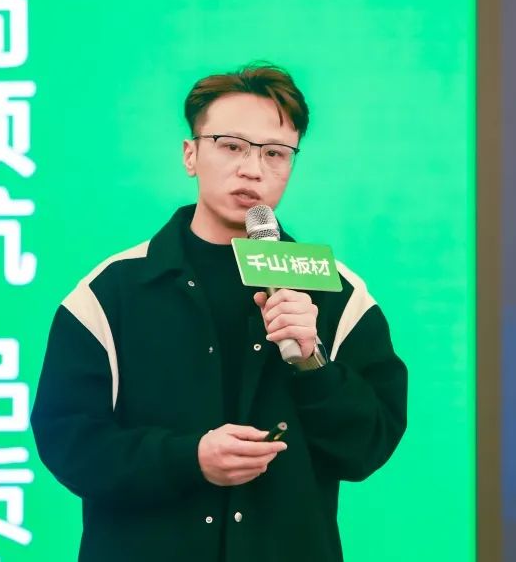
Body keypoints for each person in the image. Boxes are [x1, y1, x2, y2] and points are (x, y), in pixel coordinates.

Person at [30, 63, 408, 562]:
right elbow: (68, 442)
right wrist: (189, 459)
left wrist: (312, 364)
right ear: (190, 155)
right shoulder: (111, 293)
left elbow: (367, 447)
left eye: (275, 153)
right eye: (231, 146)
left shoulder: (336, 293)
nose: (253, 169)